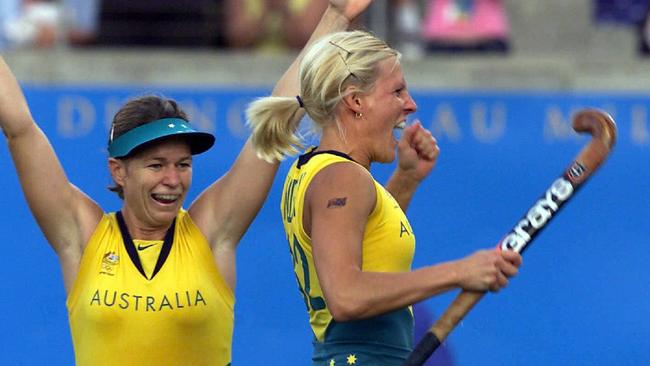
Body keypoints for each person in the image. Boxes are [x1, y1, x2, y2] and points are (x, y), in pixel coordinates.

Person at [0, 0, 372, 365]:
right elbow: (19, 127)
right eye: (156, 165)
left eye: (183, 164)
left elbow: (277, 117)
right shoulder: (82, 235)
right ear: (118, 171)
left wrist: (334, 17)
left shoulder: (210, 232)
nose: (173, 180)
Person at [246, 29, 522, 365]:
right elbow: (345, 296)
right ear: (355, 101)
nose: (411, 104)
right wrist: (460, 272)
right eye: (397, 91)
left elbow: (366, 241)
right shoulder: (341, 179)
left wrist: (406, 179)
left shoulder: (321, 171)